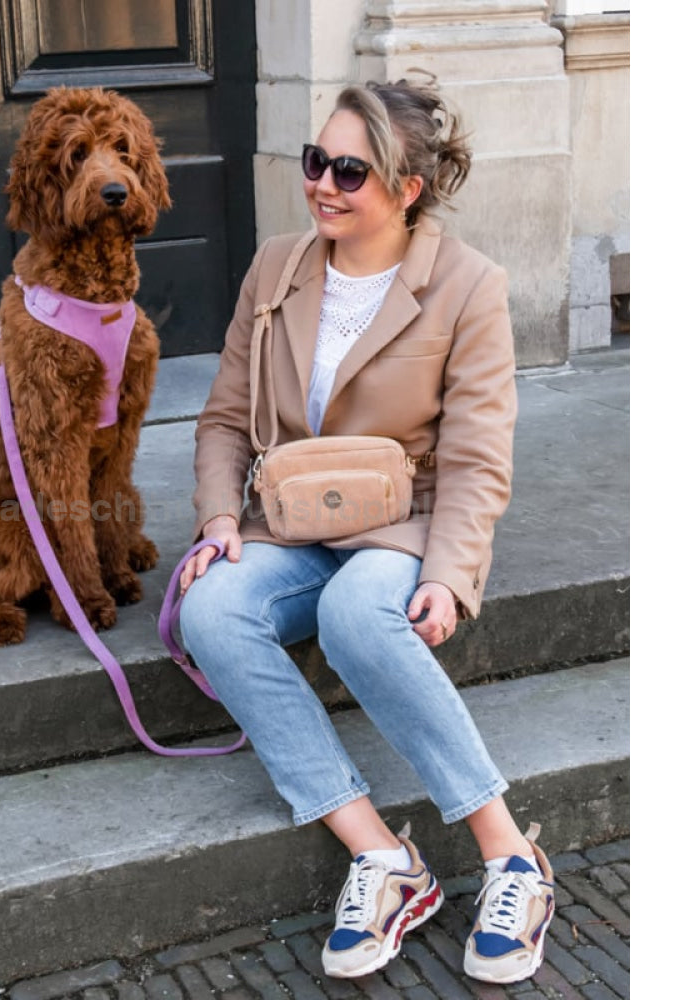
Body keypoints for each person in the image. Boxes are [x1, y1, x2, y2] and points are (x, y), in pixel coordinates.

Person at [177, 76, 556, 985]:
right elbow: (225, 419)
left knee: (356, 615)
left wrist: (451, 574)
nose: (324, 185)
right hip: (287, 519)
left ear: (407, 186)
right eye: (317, 162)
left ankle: (511, 858)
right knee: (209, 611)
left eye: (351, 170)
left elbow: (475, 458)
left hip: (401, 523)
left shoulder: (467, 286)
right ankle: (385, 859)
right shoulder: (276, 267)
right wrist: (221, 518)